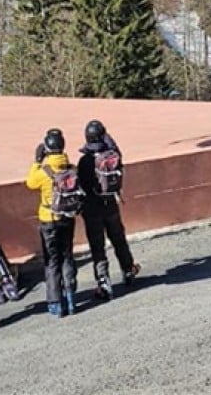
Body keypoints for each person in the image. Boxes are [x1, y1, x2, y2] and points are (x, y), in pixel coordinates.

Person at [77, 120, 140, 301]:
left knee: (98, 247)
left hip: (92, 209)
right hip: (110, 205)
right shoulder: (112, 157)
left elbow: (81, 185)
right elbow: (117, 152)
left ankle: (104, 281)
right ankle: (128, 269)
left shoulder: (85, 161)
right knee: (119, 239)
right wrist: (107, 137)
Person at [25, 128, 82, 317]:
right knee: (67, 257)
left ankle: (56, 303)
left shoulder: (43, 172)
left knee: (52, 261)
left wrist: (36, 161)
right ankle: (71, 298)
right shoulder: (71, 169)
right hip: (67, 218)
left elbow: (30, 183)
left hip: (48, 219)